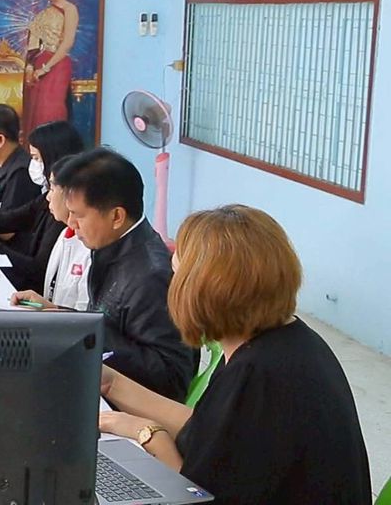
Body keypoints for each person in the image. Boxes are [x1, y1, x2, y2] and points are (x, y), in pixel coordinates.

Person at [98, 205, 371, 503]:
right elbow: (208, 429)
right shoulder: (290, 340)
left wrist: (147, 432)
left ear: (199, 290)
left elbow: (197, 496)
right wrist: (112, 383)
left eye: (176, 274)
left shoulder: (257, 373)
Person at [53, 147, 196, 401]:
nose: (71, 223)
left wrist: (89, 333)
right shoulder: (111, 245)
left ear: (117, 216)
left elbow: (171, 379)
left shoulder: (150, 276)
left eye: (78, 215)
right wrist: (61, 316)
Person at [0, 120, 84, 290]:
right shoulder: (47, 197)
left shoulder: (63, 213)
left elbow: (38, 271)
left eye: (36, 158)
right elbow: (10, 219)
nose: (32, 164)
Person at [6, 155, 91, 310]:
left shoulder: (91, 246)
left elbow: (86, 316)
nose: (48, 197)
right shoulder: (65, 234)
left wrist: (51, 310)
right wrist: (45, 306)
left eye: (52, 189)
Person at [22, 0, 78, 133]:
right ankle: (35, 149)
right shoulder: (42, 15)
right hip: (38, 68)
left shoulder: (70, 9)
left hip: (58, 65)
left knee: (51, 112)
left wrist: (46, 68)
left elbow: (67, 43)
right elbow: (33, 45)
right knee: (36, 113)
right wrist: (30, 69)